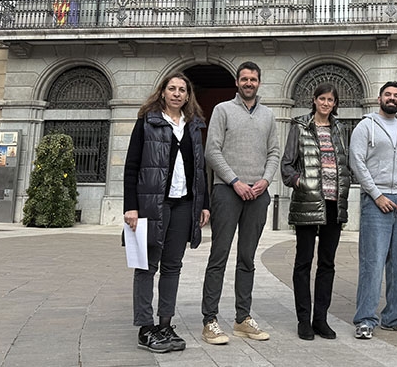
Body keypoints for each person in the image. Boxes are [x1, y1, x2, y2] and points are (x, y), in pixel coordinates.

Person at [123, 72, 210, 353]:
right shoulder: (147, 121)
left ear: (188, 95)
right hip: (152, 204)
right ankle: (145, 328)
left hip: (183, 204)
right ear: (162, 92)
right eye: (172, 88)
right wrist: (130, 206)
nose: (177, 93)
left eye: (182, 90)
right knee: (147, 265)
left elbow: (200, 168)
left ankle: (165, 324)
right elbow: (131, 165)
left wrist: (204, 203)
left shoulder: (193, 125)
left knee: (173, 266)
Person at [201, 61, 280, 345]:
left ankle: (242, 318)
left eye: (253, 79)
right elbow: (212, 151)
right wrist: (235, 181)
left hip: (257, 195)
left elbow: (274, 152)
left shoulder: (268, 115)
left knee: (247, 258)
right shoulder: (222, 110)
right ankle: (210, 320)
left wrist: (265, 181)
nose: (249, 83)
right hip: (227, 192)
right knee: (219, 256)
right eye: (244, 79)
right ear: (237, 82)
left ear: (259, 82)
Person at [349, 81, 397, 340]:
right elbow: (356, 161)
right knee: (372, 262)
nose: (392, 98)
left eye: (396, 95)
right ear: (379, 98)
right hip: (376, 201)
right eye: (388, 94)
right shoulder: (365, 126)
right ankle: (365, 320)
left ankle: (396, 317)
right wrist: (376, 194)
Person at [281, 83, 352, 340]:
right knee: (303, 262)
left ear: (335, 104)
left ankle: (320, 319)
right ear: (314, 100)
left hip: (334, 204)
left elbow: (345, 162)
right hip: (307, 203)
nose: (326, 103)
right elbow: (287, 165)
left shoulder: (339, 129)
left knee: (327, 263)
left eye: (330, 100)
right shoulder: (300, 126)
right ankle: (304, 320)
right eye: (322, 98)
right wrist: (300, 182)